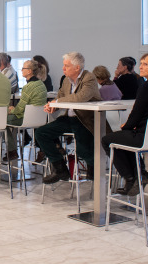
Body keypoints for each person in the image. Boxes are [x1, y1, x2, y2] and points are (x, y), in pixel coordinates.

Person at [101, 53, 148, 195]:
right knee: (123, 138)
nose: (141, 67)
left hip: (145, 137)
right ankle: (141, 174)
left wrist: (127, 126)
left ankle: (131, 178)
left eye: (145, 64)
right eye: (140, 63)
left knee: (107, 140)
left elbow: (137, 112)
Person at [35, 52, 102, 184]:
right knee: (41, 133)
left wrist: (57, 103)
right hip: (69, 119)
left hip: (85, 119)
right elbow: (59, 97)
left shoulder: (89, 78)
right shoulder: (66, 80)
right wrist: (53, 106)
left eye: (66, 66)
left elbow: (80, 97)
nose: (63, 68)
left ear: (77, 67)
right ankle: (60, 168)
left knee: (83, 149)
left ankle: (93, 169)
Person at [4, 59, 47, 161]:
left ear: (29, 71)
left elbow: (19, 109)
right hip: (39, 120)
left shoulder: (28, 87)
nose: (21, 70)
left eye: (23, 68)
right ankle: (24, 140)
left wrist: (11, 110)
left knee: (0, 121)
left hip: (25, 119)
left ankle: (12, 151)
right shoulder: (41, 84)